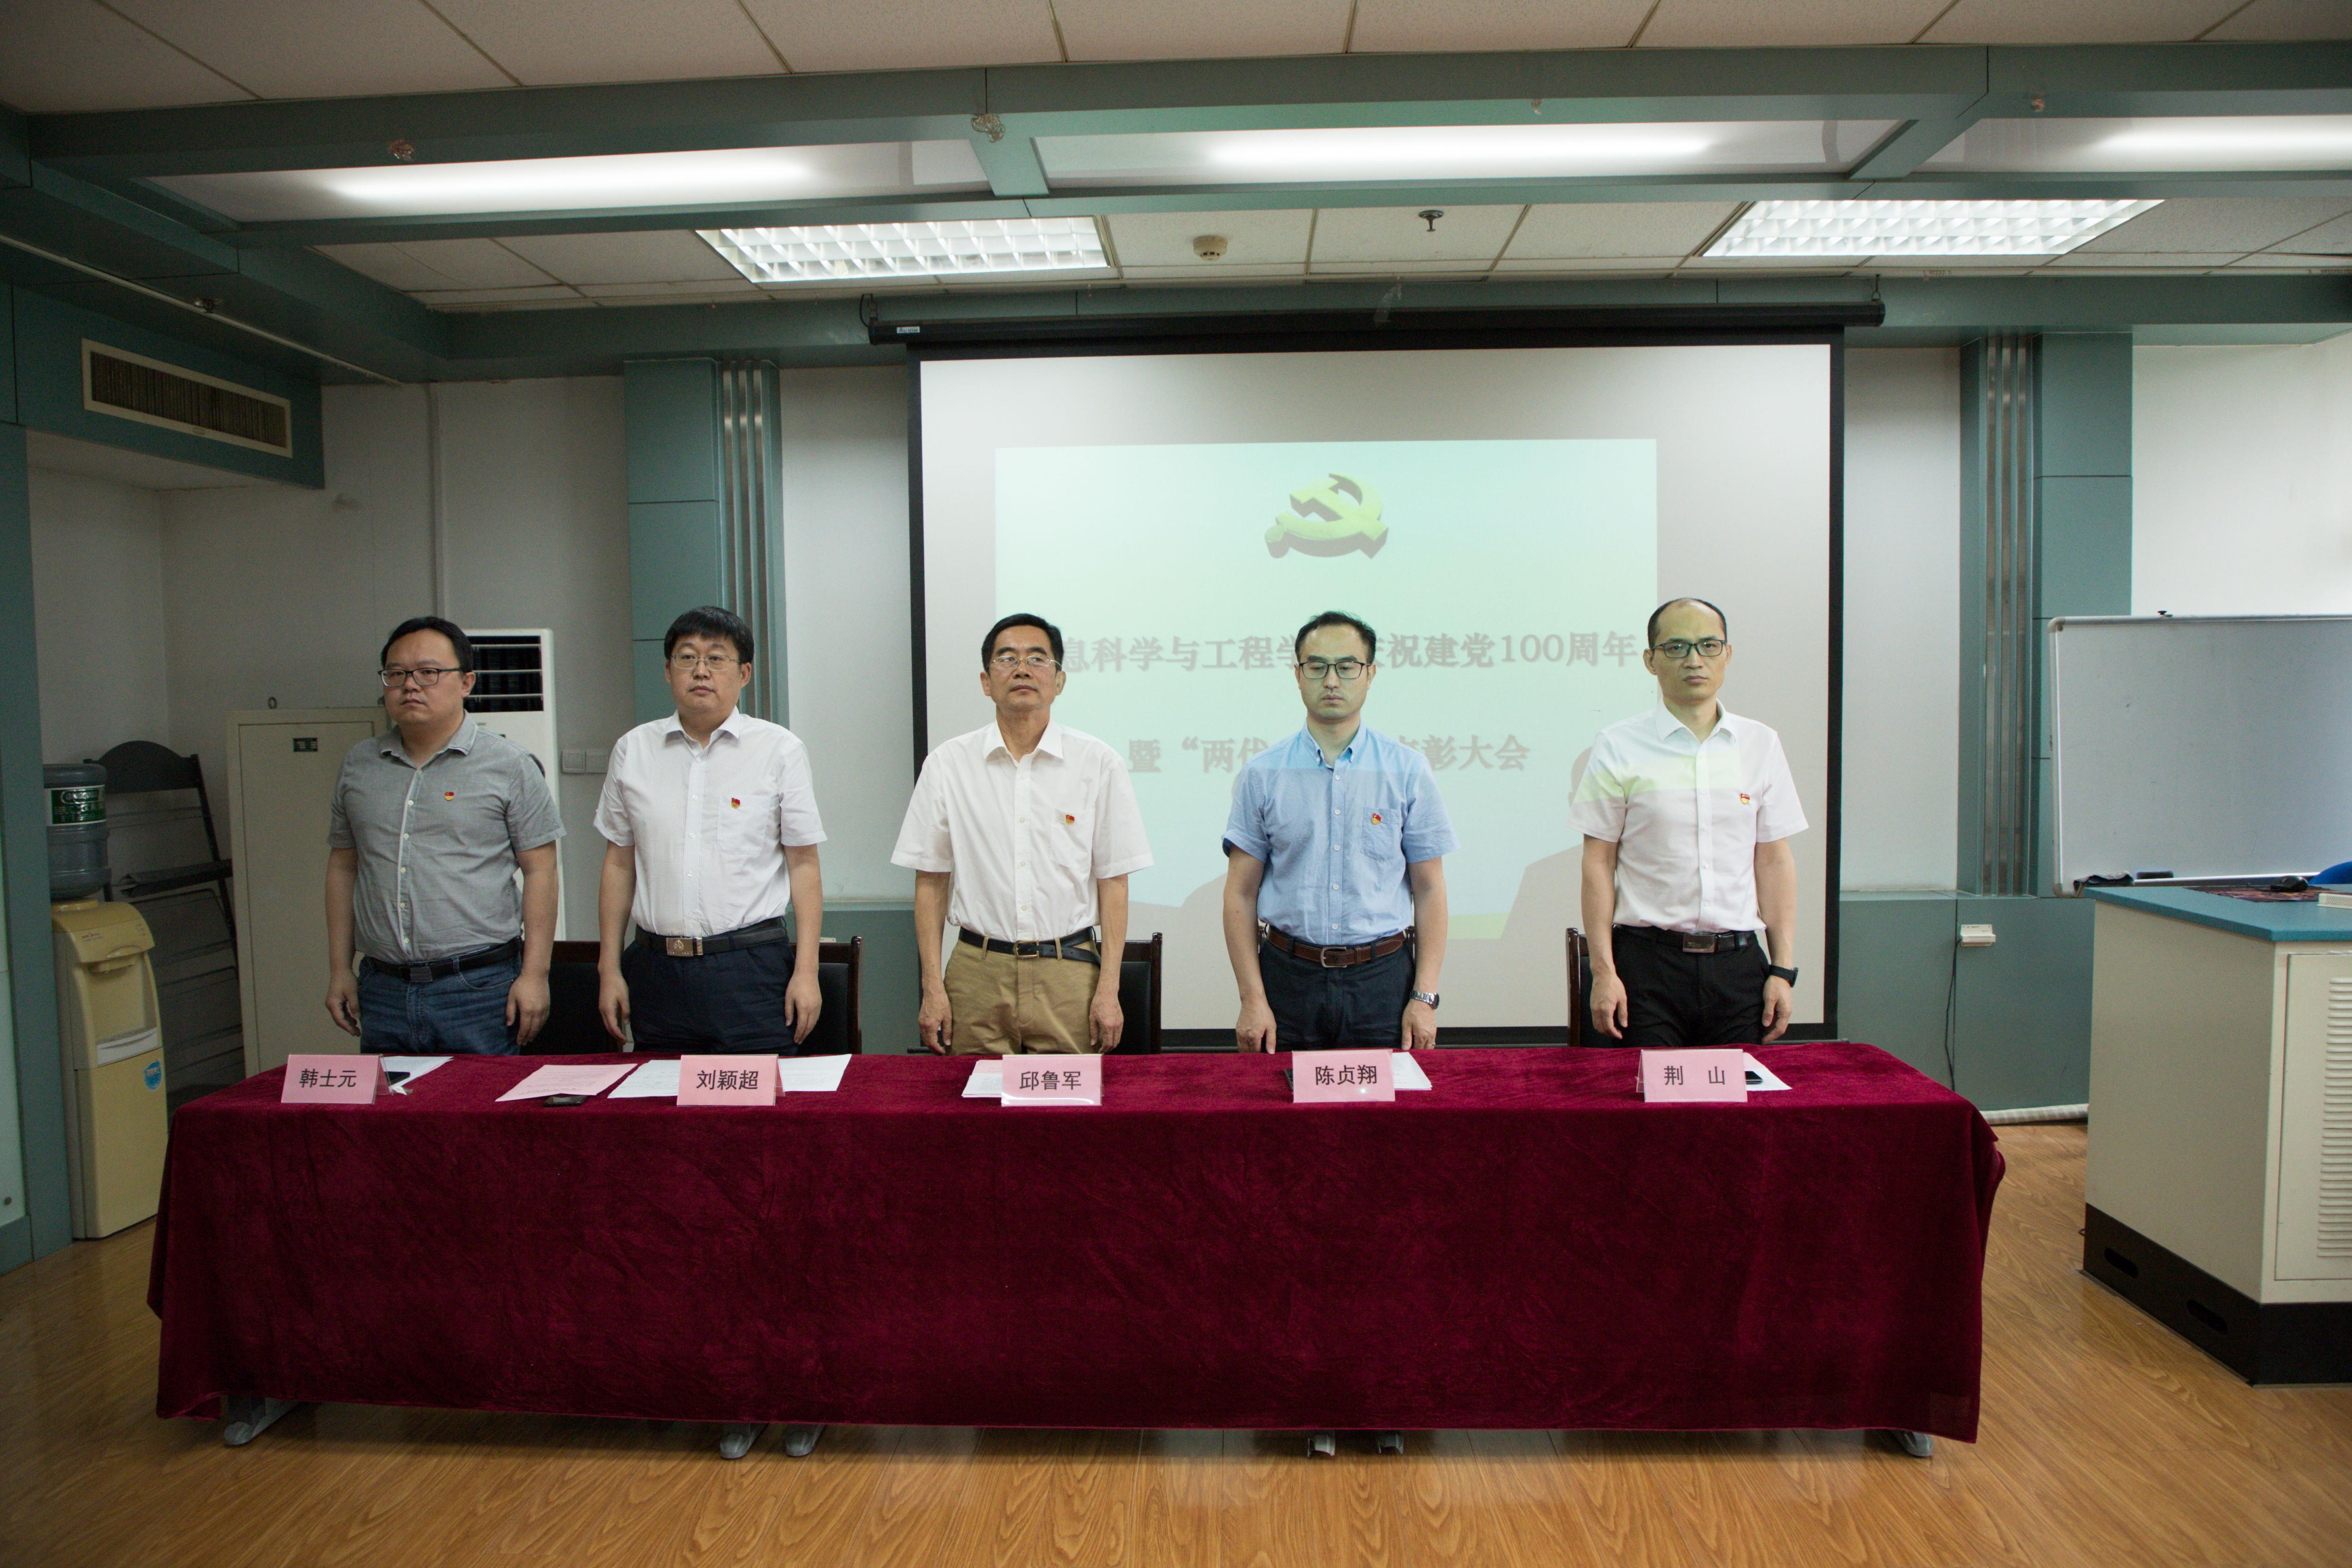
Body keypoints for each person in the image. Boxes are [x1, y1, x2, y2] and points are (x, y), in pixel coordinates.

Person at [893, 612, 1151, 1056]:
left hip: (1069, 973)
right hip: (977, 972)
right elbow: (931, 881)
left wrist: (1109, 989)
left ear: (1059, 680)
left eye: (1037, 659)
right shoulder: (948, 764)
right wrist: (932, 987)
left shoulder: (1098, 763)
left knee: (1065, 1099)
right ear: (986, 681)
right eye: (1007, 658)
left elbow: (1114, 882)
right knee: (974, 1099)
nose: (1022, 669)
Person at [1570, 596, 1805, 1048]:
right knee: (1645, 1092)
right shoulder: (1618, 745)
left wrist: (1781, 969)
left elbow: (1774, 861)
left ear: (1727, 654)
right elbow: (1598, 862)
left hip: (1738, 966)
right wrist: (1603, 971)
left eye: (1708, 646)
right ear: (1650, 660)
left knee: (1737, 1094)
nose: (1693, 660)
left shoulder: (1760, 743)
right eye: (1676, 647)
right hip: (1647, 966)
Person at [325, 616, 564, 1054]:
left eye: (429, 672)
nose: (410, 685)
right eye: (396, 673)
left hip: (478, 989)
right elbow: (343, 867)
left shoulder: (510, 765)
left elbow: (542, 870)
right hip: (382, 987)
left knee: (481, 1100)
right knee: (393, 1102)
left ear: (467, 682)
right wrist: (340, 968)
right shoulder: (359, 765)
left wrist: (535, 975)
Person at [594, 605, 826, 1053]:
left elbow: (804, 864)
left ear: (744, 673)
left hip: (749, 970)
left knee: (756, 1096)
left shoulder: (779, 750)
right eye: (687, 657)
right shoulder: (633, 750)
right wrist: (609, 968)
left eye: (716, 658)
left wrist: (806, 971)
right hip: (657, 970)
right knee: (659, 1096)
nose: (701, 671)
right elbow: (619, 863)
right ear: (668, 671)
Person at [1222, 610, 1456, 1053]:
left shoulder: (1407, 770)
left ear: (1370, 674)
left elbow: (1429, 889)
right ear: (1297, 674)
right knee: (1278, 1099)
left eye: (1347, 667)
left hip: (1383, 981)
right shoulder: (1262, 773)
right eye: (1317, 667)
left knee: (1385, 1101)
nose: (1332, 681)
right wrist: (1252, 998)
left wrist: (1424, 996)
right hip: (1287, 979)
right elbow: (1240, 892)